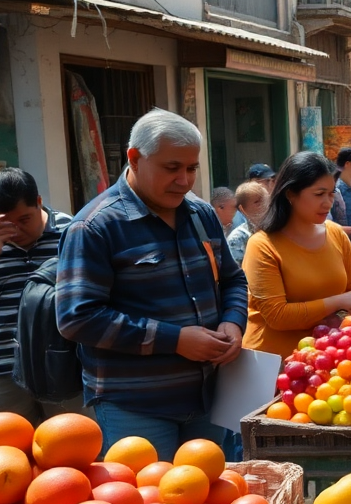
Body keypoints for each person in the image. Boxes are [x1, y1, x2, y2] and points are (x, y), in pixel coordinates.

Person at [57, 110, 246, 459]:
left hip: (210, 399)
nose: (184, 180)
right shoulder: (96, 227)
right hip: (135, 407)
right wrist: (175, 340)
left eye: (192, 168)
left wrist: (233, 322)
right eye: (172, 168)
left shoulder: (201, 214)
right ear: (134, 158)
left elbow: (233, 279)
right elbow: (77, 318)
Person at [0, 169, 84, 423]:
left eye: (25, 219)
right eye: (5, 223)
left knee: (72, 448)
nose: (17, 230)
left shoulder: (70, 230)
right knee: (10, 453)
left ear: (39, 202)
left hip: (61, 363)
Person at [242, 152, 351, 357]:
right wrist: (338, 302)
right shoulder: (262, 245)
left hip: (329, 360)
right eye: (319, 194)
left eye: (331, 194)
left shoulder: (336, 234)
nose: (328, 203)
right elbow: (277, 316)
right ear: (290, 193)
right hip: (275, 365)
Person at [225, 181, 268, 266]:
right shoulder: (237, 239)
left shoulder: (278, 229)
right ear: (242, 209)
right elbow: (239, 272)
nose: (264, 204)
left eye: (266, 199)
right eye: (257, 202)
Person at [230, 163, 276, 230]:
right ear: (254, 182)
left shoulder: (273, 206)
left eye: (273, 180)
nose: (272, 184)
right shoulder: (240, 217)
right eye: (267, 181)